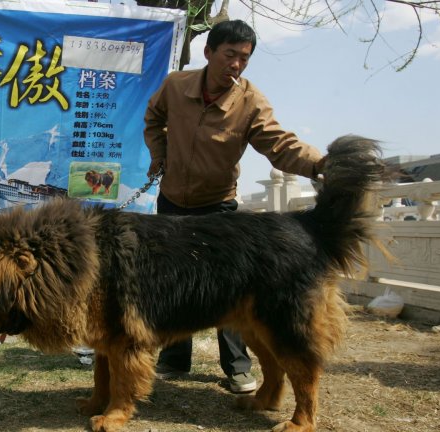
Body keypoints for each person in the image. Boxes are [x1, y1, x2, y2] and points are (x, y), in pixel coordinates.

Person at [143, 19, 325, 394]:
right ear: (208, 53)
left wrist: (320, 164)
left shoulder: (250, 102)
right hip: (173, 202)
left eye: (244, 59)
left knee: (228, 288)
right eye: (230, 55)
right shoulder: (175, 86)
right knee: (174, 284)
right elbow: (153, 118)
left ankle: (238, 367)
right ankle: (174, 359)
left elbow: (280, 145)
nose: (236, 65)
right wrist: (159, 155)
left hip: (218, 207)